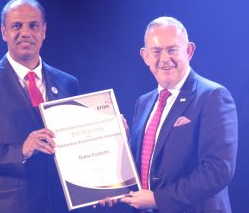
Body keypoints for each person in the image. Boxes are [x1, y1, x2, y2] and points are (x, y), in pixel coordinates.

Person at [0, 0, 79, 213]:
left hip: (59, 205)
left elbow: (77, 142)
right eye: (16, 26)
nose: (25, 33)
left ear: (44, 31)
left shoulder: (68, 83)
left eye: (33, 26)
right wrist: (21, 150)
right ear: (4, 32)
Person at [101, 16, 238, 213]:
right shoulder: (144, 102)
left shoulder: (213, 96)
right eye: (156, 51)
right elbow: (147, 166)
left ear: (189, 51)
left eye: (172, 49)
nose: (164, 59)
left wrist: (157, 199)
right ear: (145, 56)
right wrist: (122, 149)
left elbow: (217, 171)